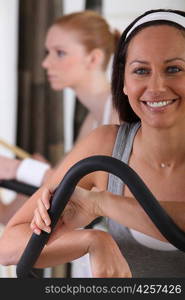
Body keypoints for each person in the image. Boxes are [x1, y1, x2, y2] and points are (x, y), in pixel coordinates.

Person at [1, 8, 185, 278]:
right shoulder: (105, 141)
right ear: (123, 81)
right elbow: (8, 245)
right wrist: (92, 241)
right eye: (141, 71)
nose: (156, 86)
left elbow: (87, 200)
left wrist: (102, 203)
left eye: (174, 69)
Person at [0, 10, 119, 226]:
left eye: (60, 53)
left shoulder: (119, 114)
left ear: (94, 58)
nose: (46, 63)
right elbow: (9, 216)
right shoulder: (92, 120)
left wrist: (19, 169)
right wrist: (26, 179)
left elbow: (89, 196)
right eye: (48, 52)